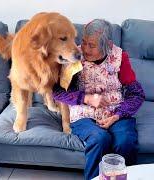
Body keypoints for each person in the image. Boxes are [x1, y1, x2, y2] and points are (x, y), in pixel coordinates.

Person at [53, 19, 145, 180]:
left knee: (125, 141)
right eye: (84, 42)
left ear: (108, 45)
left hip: (115, 112)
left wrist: (117, 115)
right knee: (99, 138)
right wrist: (86, 98)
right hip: (84, 114)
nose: (85, 49)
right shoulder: (74, 57)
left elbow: (136, 94)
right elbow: (58, 92)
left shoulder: (119, 57)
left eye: (92, 45)